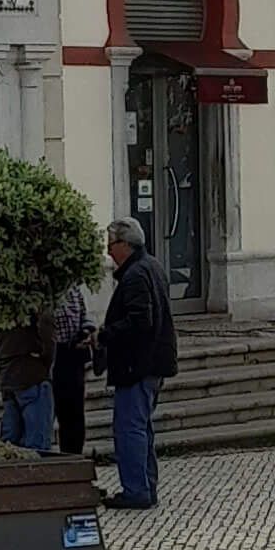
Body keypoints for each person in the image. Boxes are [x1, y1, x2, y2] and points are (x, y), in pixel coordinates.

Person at [96, 216, 178, 510]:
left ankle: (136, 490)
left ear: (125, 244)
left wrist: (105, 335)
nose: (108, 252)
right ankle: (145, 486)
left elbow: (139, 321)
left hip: (137, 366)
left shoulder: (136, 275)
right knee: (141, 428)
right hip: (151, 364)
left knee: (130, 429)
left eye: (111, 244)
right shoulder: (152, 267)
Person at [0, 305, 57, 455]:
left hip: (8, 372)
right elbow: (47, 330)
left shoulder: (0, 301)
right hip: (32, 372)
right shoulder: (35, 296)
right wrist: (45, 360)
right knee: (37, 443)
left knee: (10, 443)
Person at [50, 285, 94, 456]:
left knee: (75, 413)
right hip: (55, 355)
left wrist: (86, 330)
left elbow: (85, 314)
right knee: (59, 410)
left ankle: (74, 454)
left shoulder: (73, 288)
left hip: (74, 353)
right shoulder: (46, 290)